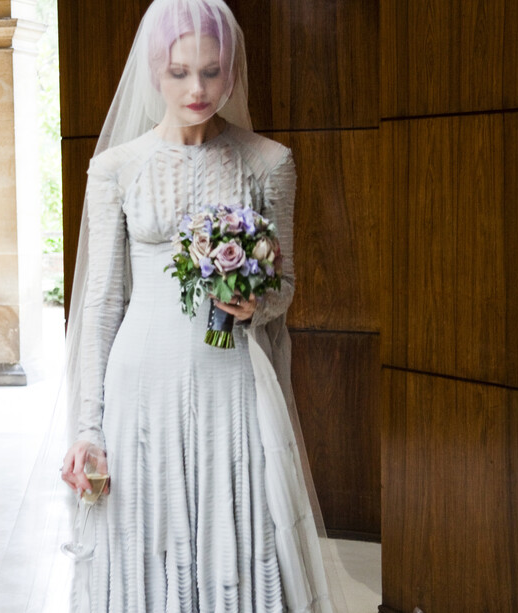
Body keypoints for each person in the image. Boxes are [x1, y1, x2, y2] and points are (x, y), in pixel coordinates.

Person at [60, 1, 343, 611]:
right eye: (181, 72)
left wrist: (254, 305)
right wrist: (89, 427)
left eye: (213, 72)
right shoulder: (115, 169)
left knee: (236, 531)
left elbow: (285, 286)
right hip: (140, 390)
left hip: (231, 385)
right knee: (143, 545)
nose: (197, 88)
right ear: (154, 71)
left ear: (232, 72)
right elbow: (103, 304)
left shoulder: (270, 163)